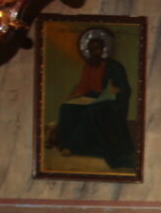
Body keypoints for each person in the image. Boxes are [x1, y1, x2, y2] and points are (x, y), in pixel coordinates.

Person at [53, 30, 136, 169]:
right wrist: (74, 95)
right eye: (91, 49)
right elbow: (83, 86)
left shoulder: (113, 66)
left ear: (103, 49)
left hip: (108, 101)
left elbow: (124, 88)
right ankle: (66, 144)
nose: (94, 52)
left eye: (97, 49)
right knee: (66, 108)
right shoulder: (89, 66)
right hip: (89, 97)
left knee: (91, 111)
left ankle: (75, 146)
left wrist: (116, 90)